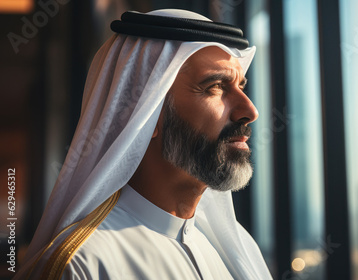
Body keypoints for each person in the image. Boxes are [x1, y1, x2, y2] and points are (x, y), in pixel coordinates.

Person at [15, 9, 272, 280]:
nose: (250, 110)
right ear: (145, 112)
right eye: (215, 86)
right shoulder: (81, 266)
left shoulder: (233, 251)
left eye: (241, 86)